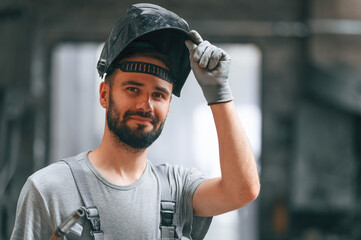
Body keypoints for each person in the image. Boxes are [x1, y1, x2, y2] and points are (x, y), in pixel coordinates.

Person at [11, 3, 260, 240]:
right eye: (133, 89)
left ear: (169, 106)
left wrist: (219, 94)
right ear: (105, 94)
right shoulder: (49, 190)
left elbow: (242, 190)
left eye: (159, 94)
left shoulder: (178, 191)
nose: (146, 105)